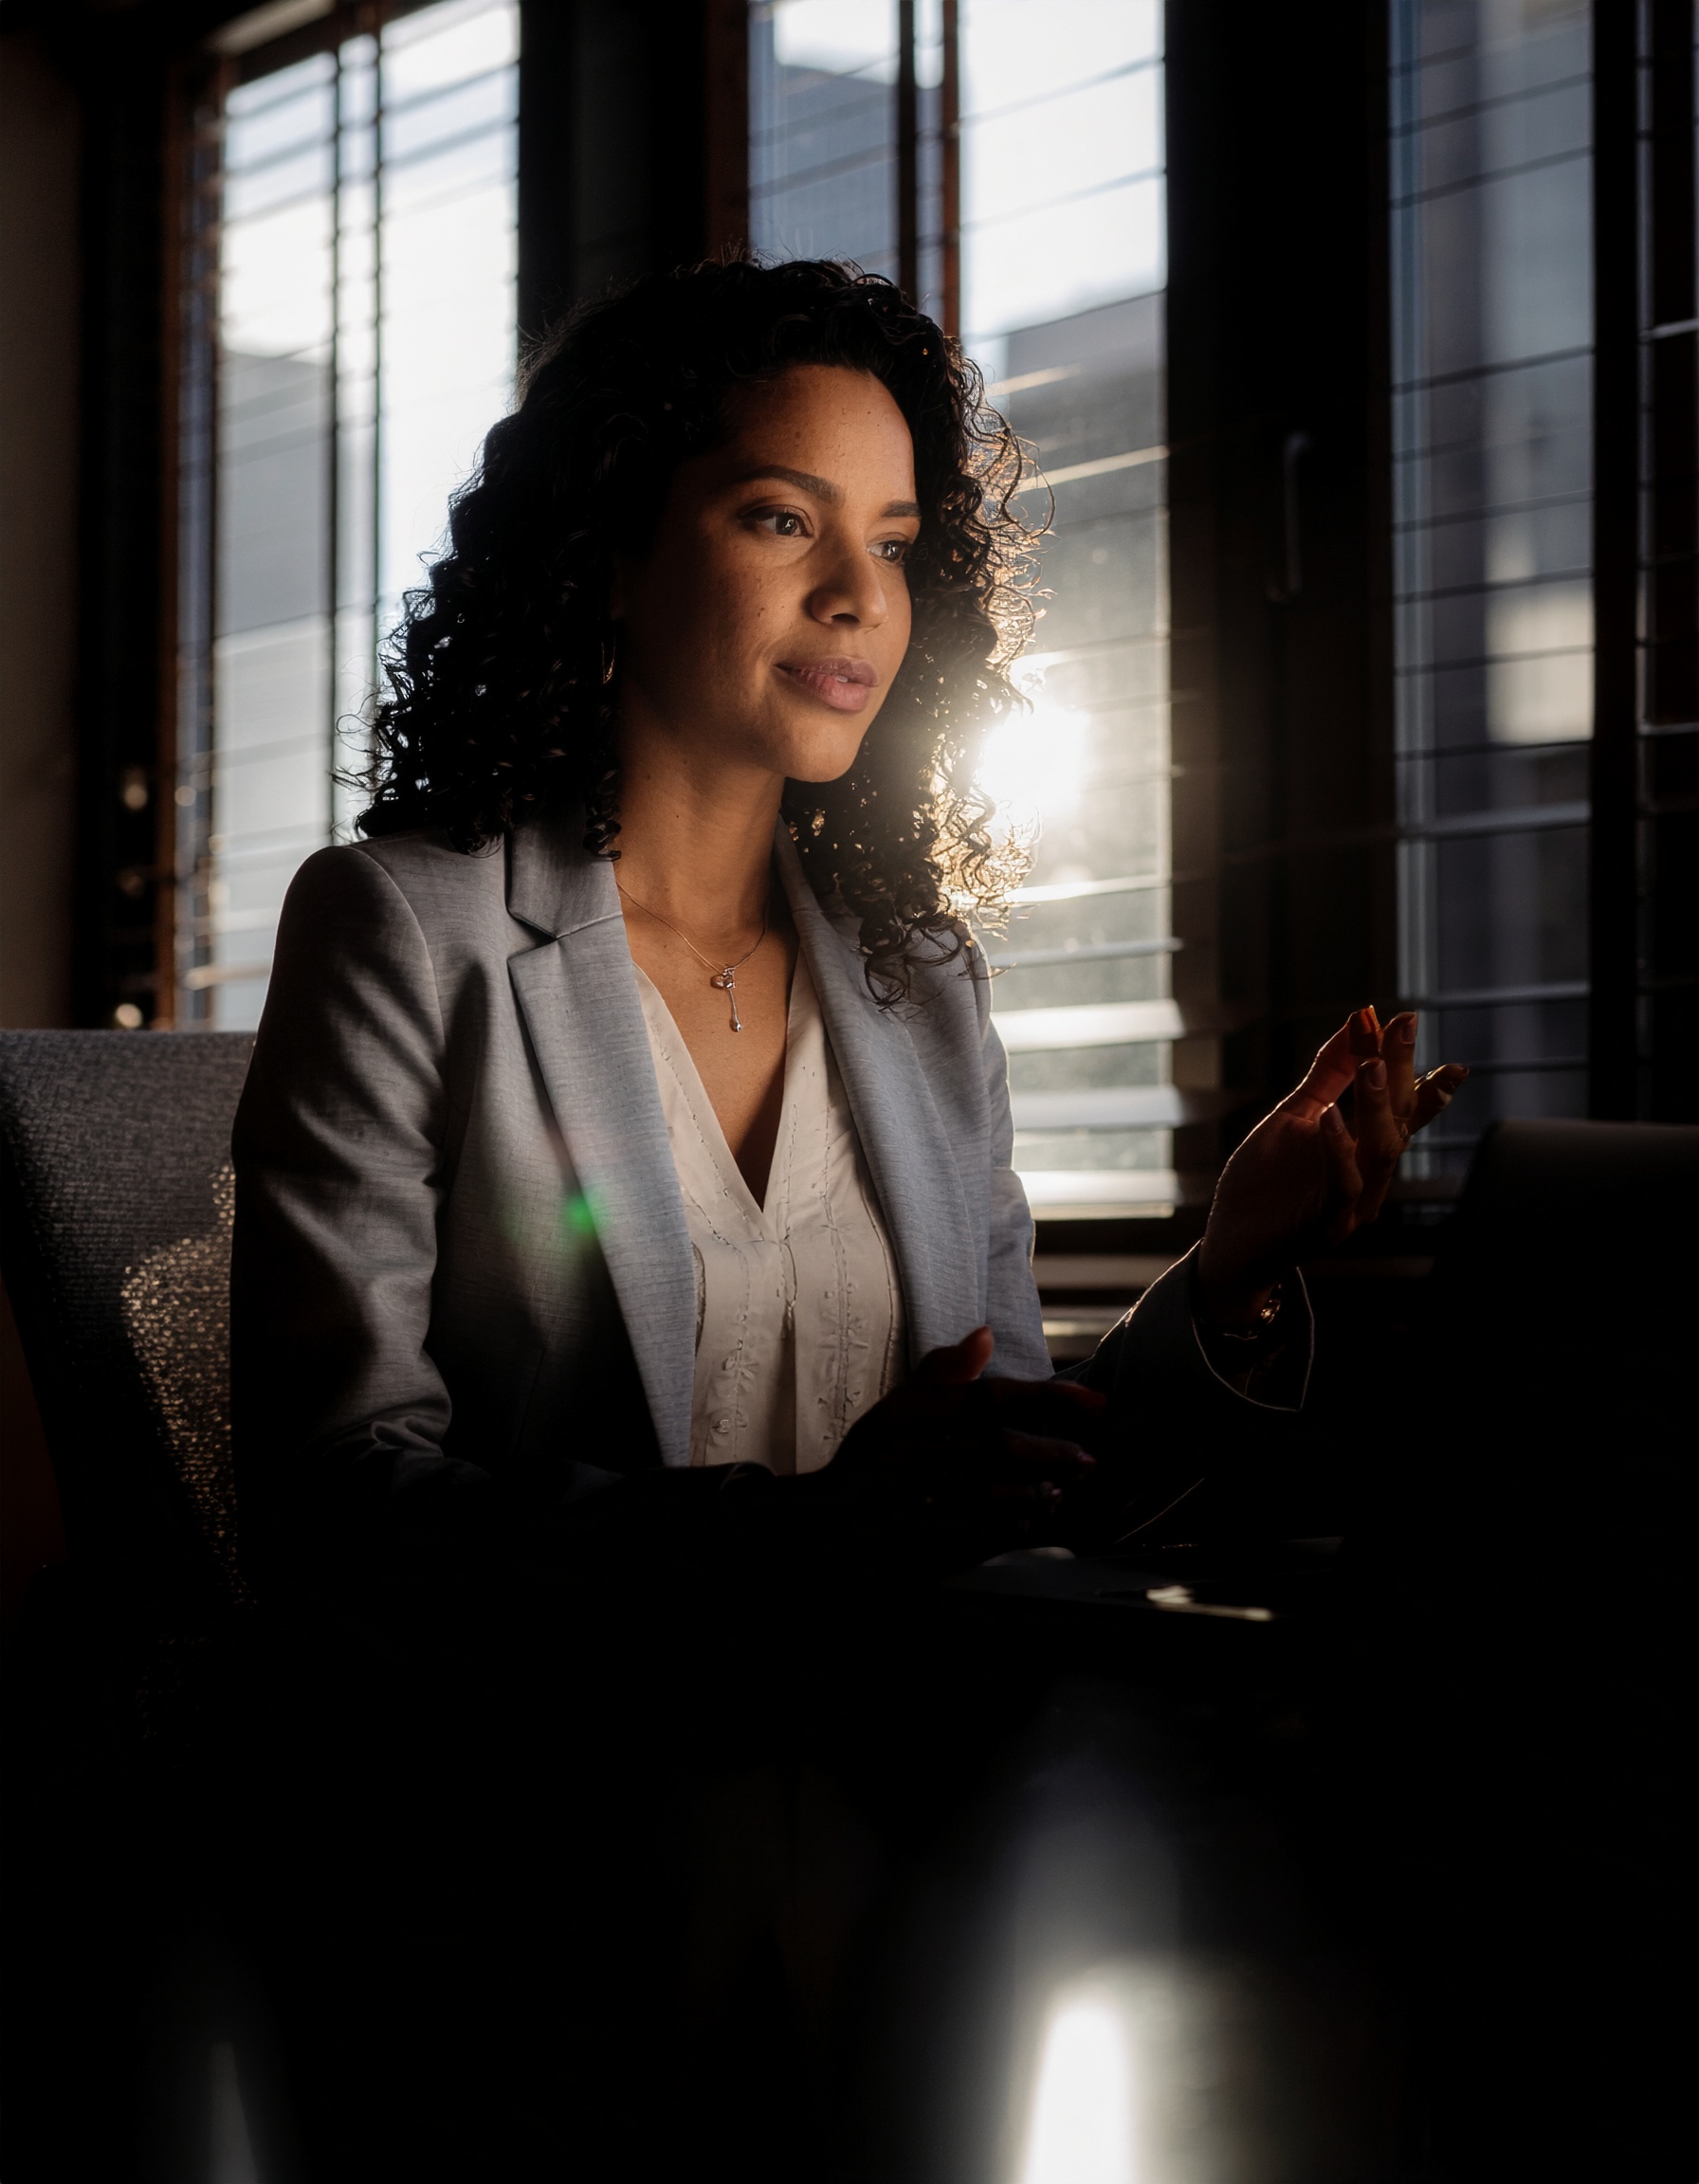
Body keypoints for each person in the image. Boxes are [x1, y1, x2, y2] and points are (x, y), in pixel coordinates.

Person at [228, 257, 1464, 2179]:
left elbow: (1014, 1468)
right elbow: (341, 1502)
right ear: (609, 548)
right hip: (529, 1865)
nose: (853, 595)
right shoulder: (404, 927)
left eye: (891, 538)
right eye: (774, 515)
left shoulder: (913, 981)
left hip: (897, 1822)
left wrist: (1230, 1263)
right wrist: (804, 1541)